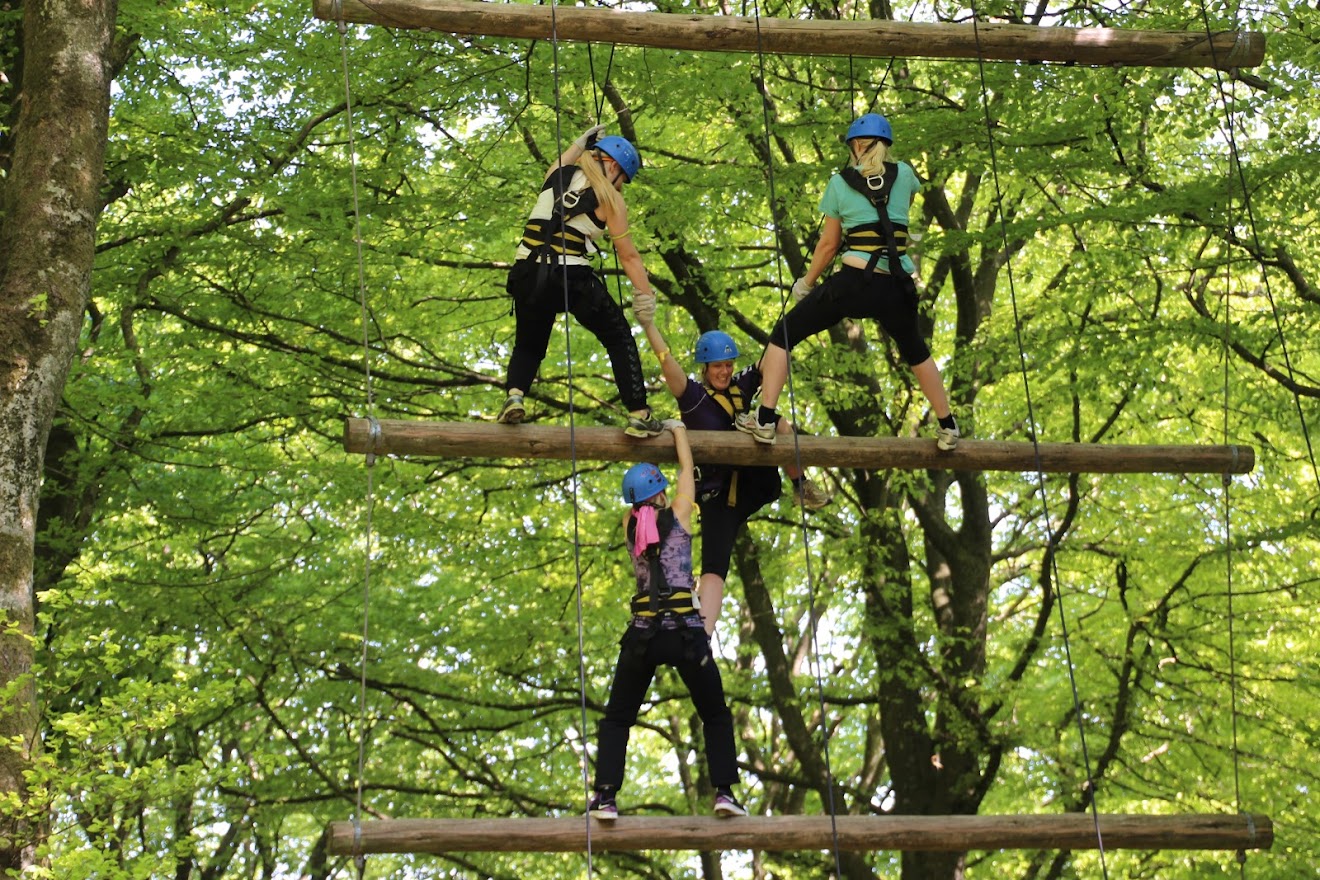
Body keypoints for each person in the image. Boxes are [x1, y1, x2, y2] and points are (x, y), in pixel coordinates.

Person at [734, 113, 961, 451]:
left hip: (853, 282)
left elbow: (827, 245)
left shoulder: (840, 183)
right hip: (897, 285)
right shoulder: (906, 175)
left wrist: (807, 283)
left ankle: (765, 420)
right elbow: (902, 205)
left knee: (784, 334)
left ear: (856, 144)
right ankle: (948, 425)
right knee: (916, 351)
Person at [631, 299, 831, 632]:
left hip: (755, 483)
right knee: (714, 567)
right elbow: (668, 366)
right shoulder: (694, 398)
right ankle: (703, 635)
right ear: (705, 369)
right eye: (717, 367)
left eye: (728, 365)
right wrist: (650, 325)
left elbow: (773, 353)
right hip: (718, 498)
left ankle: (800, 486)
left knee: (779, 424)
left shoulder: (741, 386)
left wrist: (799, 306)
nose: (724, 372)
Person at [588, 422, 748, 821]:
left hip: (642, 636)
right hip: (686, 636)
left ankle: (605, 796)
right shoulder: (678, 514)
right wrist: (678, 433)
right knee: (714, 712)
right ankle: (724, 792)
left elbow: (639, 501)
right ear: (660, 494)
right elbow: (686, 471)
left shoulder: (630, 526)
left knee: (618, 717)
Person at [496, 123, 662, 438]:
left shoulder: (556, 175)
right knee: (618, 337)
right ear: (613, 166)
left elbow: (563, 159)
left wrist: (580, 142)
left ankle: (514, 395)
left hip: (526, 273)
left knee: (529, 345)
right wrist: (645, 295)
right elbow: (628, 256)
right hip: (570, 276)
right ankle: (639, 414)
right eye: (623, 179)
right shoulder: (610, 199)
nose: (621, 186)